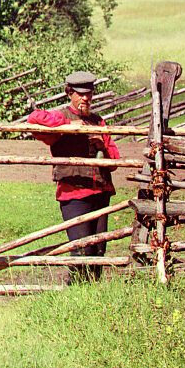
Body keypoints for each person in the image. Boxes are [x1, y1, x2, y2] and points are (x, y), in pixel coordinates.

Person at [27, 71, 120, 282]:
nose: (85, 98)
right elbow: (34, 118)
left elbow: (114, 160)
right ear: (70, 93)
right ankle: (76, 292)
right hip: (74, 193)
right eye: (80, 94)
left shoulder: (99, 121)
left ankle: (93, 293)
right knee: (80, 249)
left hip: (100, 191)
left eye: (89, 94)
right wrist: (70, 127)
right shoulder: (62, 117)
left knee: (98, 248)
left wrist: (102, 146)